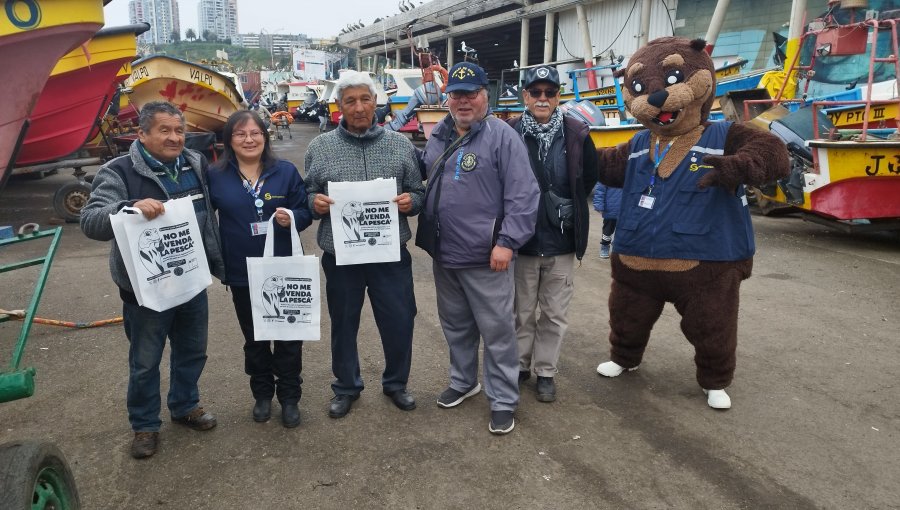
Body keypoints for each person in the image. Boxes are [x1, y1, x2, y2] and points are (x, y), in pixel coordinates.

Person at [81, 101, 225, 459]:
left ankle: (184, 405)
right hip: (145, 291)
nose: (175, 137)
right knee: (145, 361)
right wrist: (126, 208)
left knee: (193, 351)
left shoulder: (195, 163)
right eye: (165, 130)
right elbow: (90, 220)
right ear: (142, 134)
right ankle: (145, 425)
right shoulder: (118, 171)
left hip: (190, 280)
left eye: (179, 130)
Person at [417, 62, 539, 434]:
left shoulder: (503, 137)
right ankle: (463, 380)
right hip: (445, 253)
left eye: (471, 93)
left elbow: (524, 195)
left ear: (486, 95)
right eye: (456, 94)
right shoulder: (438, 133)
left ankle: (502, 399)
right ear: (447, 98)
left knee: (498, 331)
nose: (463, 101)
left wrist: (507, 243)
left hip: (488, 257)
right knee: (455, 325)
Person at [305, 70, 425, 419]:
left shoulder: (400, 145)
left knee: (400, 319)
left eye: (365, 99)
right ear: (339, 106)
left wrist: (410, 203)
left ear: (376, 102)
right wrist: (315, 203)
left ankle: (396, 384)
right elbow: (308, 191)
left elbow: (418, 192)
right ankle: (346, 387)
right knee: (344, 323)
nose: (358, 107)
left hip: (390, 254)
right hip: (341, 254)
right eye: (350, 101)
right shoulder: (320, 147)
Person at [207, 110, 312, 428]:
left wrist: (291, 218)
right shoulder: (215, 175)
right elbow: (199, 215)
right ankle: (262, 395)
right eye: (240, 134)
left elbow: (306, 211)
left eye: (255, 133)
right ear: (229, 140)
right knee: (254, 338)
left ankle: (290, 397)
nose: (249, 139)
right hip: (242, 271)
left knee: (288, 337)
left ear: (265, 137)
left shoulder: (285, 172)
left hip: (284, 268)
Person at [506, 66, 598, 403]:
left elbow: (588, 178)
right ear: (526, 96)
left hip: (561, 241)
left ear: (558, 96)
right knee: (521, 311)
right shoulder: (510, 133)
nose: (542, 98)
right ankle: (518, 366)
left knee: (555, 314)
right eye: (536, 92)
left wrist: (564, 211)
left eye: (549, 92)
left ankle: (545, 371)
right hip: (523, 243)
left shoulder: (577, 133)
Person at [592, 182, 621, 259]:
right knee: (607, 230)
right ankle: (605, 245)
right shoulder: (608, 172)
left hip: (626, 210)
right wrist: (599, 205)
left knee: (622, 231)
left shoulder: (632, 172)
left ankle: (617, 248)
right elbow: (600, 190)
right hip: (611, 208)